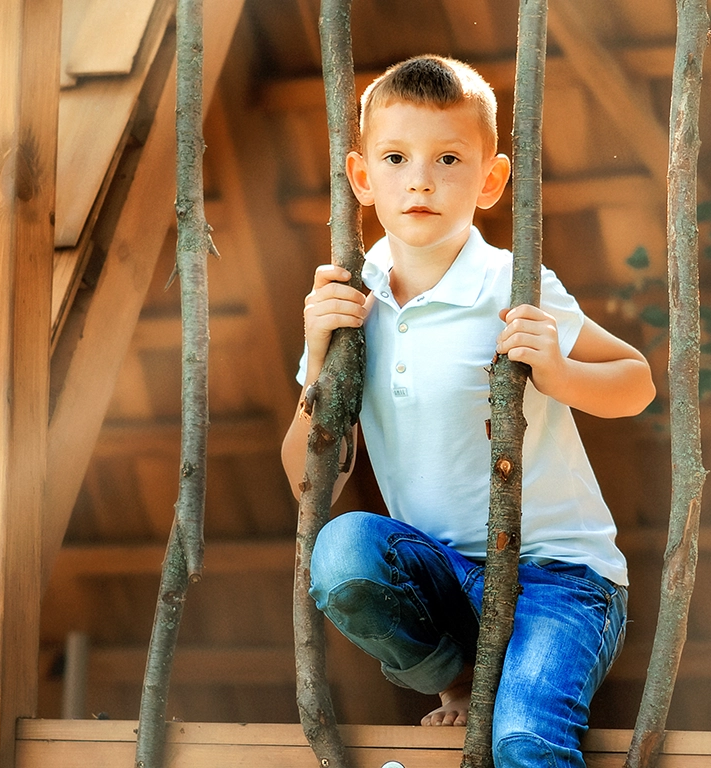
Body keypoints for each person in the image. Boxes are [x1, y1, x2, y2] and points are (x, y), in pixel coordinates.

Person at [281, 54, 656, 768]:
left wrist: (558, 369)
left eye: (448, 158)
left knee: (521, 740)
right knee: (342, 554)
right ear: (363, 178)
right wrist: (317, 358)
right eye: (396, 157)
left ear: (490, 181)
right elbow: (305, 484)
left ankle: (511, 697)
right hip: (444, 577)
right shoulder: (349, 302)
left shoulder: (508, 283)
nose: (420, 179)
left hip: (560, 578)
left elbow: (636, 380)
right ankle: (455, 674)